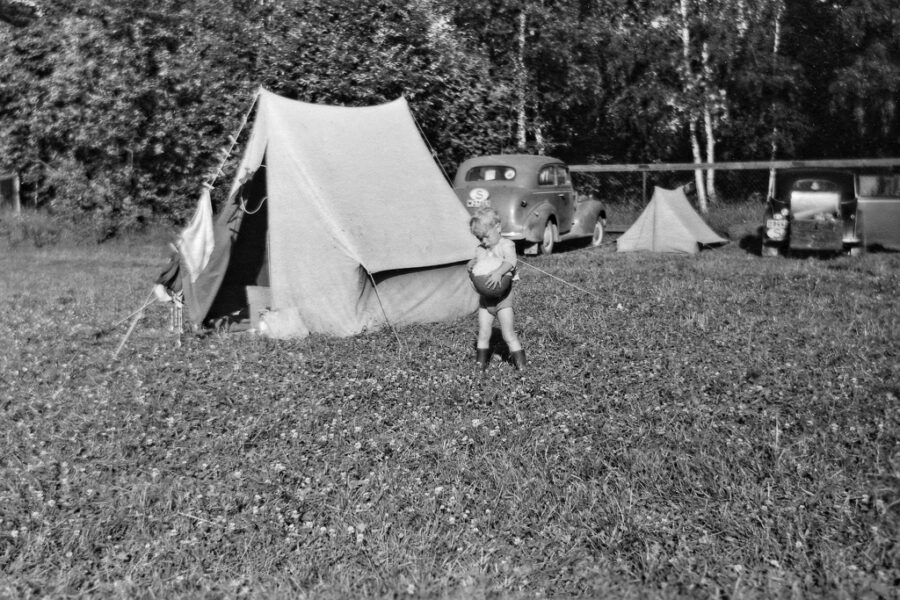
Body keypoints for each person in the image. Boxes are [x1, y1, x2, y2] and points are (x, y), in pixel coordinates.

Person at [468, 207, 526, 370]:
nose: (484, 241)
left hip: (503, 300)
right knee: (484, 332)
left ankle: (522, 367)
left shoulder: (506, 244)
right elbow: (481, 264)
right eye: (480, 238)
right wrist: (473, 264)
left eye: (486, 236)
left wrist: (499, 272)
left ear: (498, 228)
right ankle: (480, 366)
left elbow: (511, 261)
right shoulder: (481, 249)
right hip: (485, 301)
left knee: (508, 334)